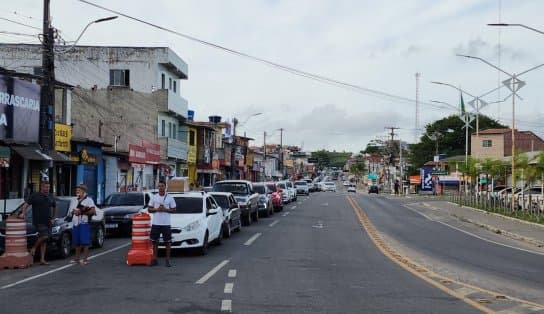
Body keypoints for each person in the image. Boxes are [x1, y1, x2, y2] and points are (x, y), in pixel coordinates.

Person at [19, 180, 56, 265]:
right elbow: (25, 205)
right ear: (41, 187)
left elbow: (54, 206)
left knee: (45, 240)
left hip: (48, 221)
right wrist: (23, 213)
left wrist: (53, 218)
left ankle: (42, 259)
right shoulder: (35, 196)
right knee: (44, 236)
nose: (48, 189)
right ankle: (34, 248)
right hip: (38, 221)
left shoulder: (51, 196)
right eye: (46, 187)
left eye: (49, 187)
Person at [148, 181, 176, 267]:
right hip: (156, 223)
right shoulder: (154, 197)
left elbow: (174, 210)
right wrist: (156, 209)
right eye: (159, 186)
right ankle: (155, 259)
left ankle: (167, 260)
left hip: (166, 224)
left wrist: (165, 210)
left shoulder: (170, 198)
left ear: (165, 187)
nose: (160, 188)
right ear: (157, 187)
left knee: (167, 242)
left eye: (162, 186)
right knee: (155, 242)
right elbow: (149, 209)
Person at [70, 184, 96, 266]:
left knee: (85, 242)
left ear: (83, 191)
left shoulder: (89, 200)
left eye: (79, 191)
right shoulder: (74, 200)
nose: (77, 192)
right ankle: (76, 259)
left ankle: (85, 259)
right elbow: (71, 211)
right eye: (77, 191)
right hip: (75, 223)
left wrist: (82, 211)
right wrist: (74, 212)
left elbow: (93, 211)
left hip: (84, 223)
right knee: (76, 242)